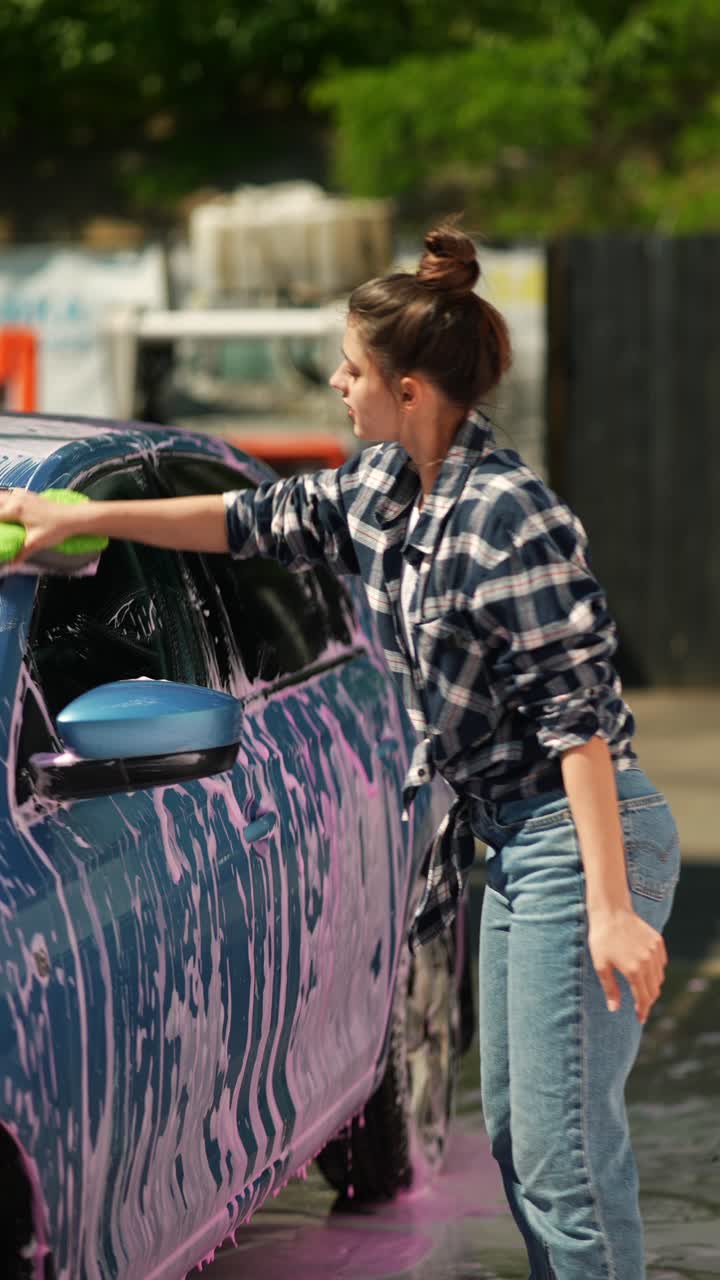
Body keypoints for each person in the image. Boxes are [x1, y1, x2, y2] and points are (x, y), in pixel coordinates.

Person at [0, 224, 679, 1279]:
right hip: (512, 833)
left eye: (353, 367)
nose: (335, 380)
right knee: (522, 1136)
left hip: (579, 835)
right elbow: (240, 518)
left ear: (411, 390)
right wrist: (77, 514)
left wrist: (610, 904)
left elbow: (577, 722)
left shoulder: (508, 517)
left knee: (561, 1159)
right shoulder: (380, 488)